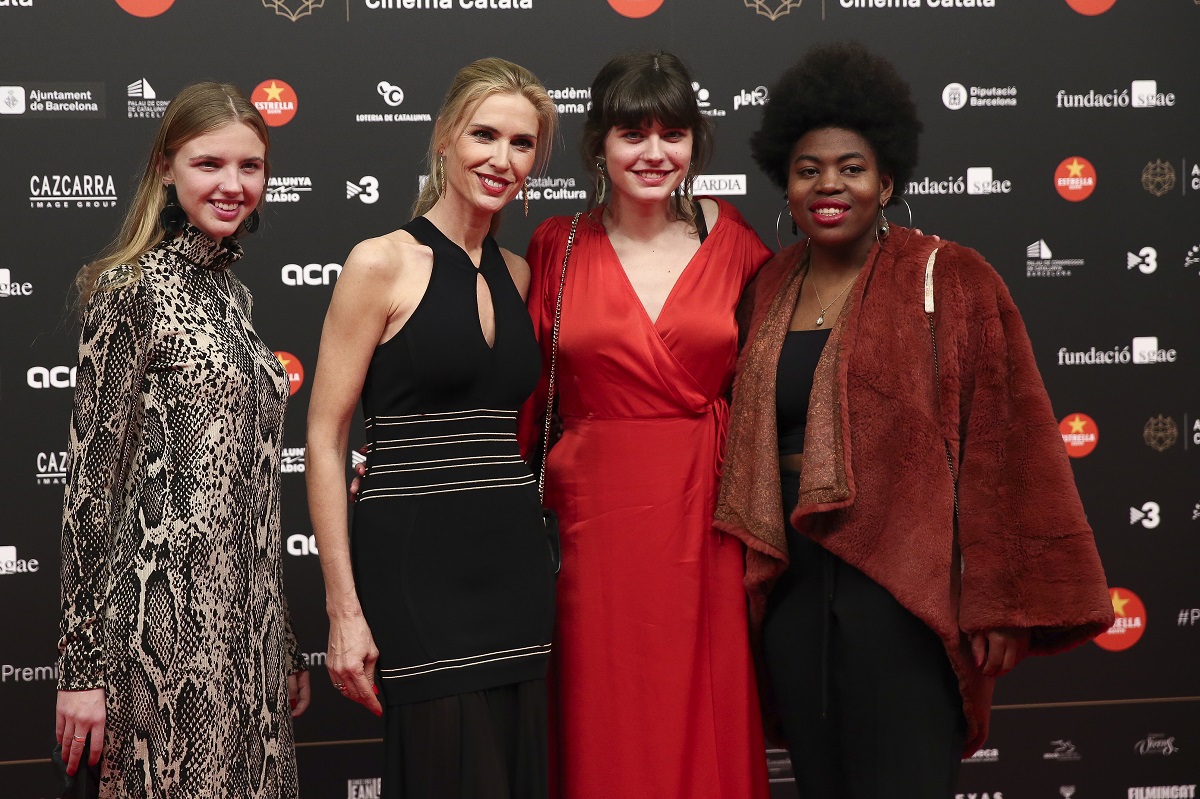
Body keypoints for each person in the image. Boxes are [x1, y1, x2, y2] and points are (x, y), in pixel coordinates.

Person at [714, 42, 1114, 798]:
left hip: (905, 592)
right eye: (808, 170)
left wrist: (1000, 600)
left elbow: (1006, 446)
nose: (829, 184)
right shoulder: (767, 285)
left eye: (851, 168)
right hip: (796, 588)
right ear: (786, 185)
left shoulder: (952, 277)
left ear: (887, 180)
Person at [518, 52, 771, 799]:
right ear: (599, 144)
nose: (654, 153)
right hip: (591, 518)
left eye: (674, 134)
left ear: (696, 145)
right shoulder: (556, 246)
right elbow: (522, 398)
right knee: (605, 708)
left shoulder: (739, 245)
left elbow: (767, 394)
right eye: (633, 133)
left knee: (702, 702)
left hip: (705, 511)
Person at [305, 58, 559, 798]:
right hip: (417, 570)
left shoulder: (517, 274)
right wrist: (344, 610)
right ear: (444, 137)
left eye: (521, 144)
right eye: (484, 134)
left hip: (514, 566)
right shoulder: (380, 263)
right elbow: (324, 438)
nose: (500, 159)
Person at [56, 81, 310, 798]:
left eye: (250, 166)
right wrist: (80, 673)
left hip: (247, 637)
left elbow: (257, 488)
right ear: (167, 167)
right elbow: (89, 490)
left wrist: (280, 637)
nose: (233, 185)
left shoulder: (235, 295)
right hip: (158, 641)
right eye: (209, 164)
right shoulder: (128, 288)